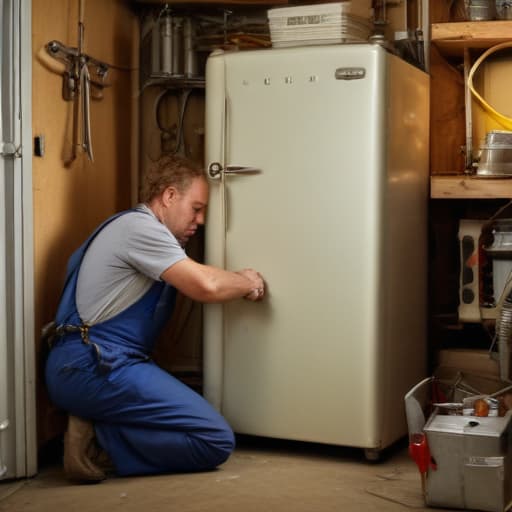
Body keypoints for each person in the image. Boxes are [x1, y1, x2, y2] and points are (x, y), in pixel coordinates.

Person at [45, 154, 265, 483]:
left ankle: (93, 421)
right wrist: (249, 281)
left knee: (199, 428)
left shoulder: (139, 230)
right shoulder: (139, 229)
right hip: (90, 364)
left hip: (97, 363)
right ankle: (98, 439)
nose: (200, 220)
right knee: (215, 440)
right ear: (169, 196)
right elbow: (206, 285)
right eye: (196, 208)